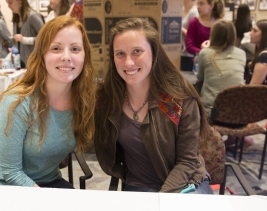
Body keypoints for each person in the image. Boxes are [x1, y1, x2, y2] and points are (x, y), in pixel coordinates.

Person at [94, 18, 212, 194]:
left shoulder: (180, 99)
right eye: (120, 54)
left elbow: (187, 162)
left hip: (186, 183)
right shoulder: (108, 99)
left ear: (154, 54)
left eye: (137, 51)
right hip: (139, 184)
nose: (128, 62)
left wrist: (161, 199)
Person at [0, 16, 96, 188]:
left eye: (75, 49)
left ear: (84, 55)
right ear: (42, 55)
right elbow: (11, 172)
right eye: (56, 48)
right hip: (4, 186)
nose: (66, 57)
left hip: (48, 180)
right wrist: (46, 200)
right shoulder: (18, 101)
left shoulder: (83, 101)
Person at [197, 20, 246, 116]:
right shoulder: (241, 54)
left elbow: (200, 77)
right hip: (238, 112)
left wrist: (205, 49)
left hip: (212, 112)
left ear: (213, 35)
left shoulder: (205, 53)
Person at [6, 0, 44, 67]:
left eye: (10, 2)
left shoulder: (33, 16)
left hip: (35, 62)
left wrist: (25, 39)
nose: (8, 6)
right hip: (21, 62)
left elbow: (46, 38)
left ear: (20, 1)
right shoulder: (16, 19)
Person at [234, 4, 253, 82]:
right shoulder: (250, 25)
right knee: (247, 76)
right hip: (248, 55)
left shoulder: (234, 24)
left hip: (237, 51)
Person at [181, 0, 198, 71]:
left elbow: (194, 34)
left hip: (188, 53)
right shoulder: (181, 9)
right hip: (179, 50)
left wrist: (180, 28)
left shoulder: (194, 12)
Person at [248, 19, 267, 85]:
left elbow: (254, 87)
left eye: (255, 31)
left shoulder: (264, 55)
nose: (251, 33)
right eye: (252, 29)